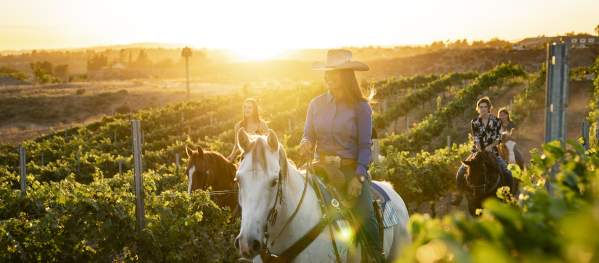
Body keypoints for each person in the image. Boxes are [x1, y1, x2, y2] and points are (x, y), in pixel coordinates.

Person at [299, 49, 384, 262]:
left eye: (333, 72)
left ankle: (376, 258)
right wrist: (306, 143)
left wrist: (359, 177)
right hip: (320, 171)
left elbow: (365, 147)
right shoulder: (315, 105)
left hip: (350, 173)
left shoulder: (361, 108)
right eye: (326, 72)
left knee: (367, 219)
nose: (327, 76)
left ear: (345, 75)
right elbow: (307, 135)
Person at [456, 97, 513, 191]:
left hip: (492, 152)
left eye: (485, 107)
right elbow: (476, 138)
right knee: (460, 172)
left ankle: (508, 196)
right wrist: (480, 148)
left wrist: (489, 147)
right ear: (478, 109)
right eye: (481, 107)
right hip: (477, 151)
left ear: (489, 108)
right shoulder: (474, 122)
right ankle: (460, 195)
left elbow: (498, 138)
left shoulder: (496, 121)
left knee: (507, 172)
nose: (483, 109)